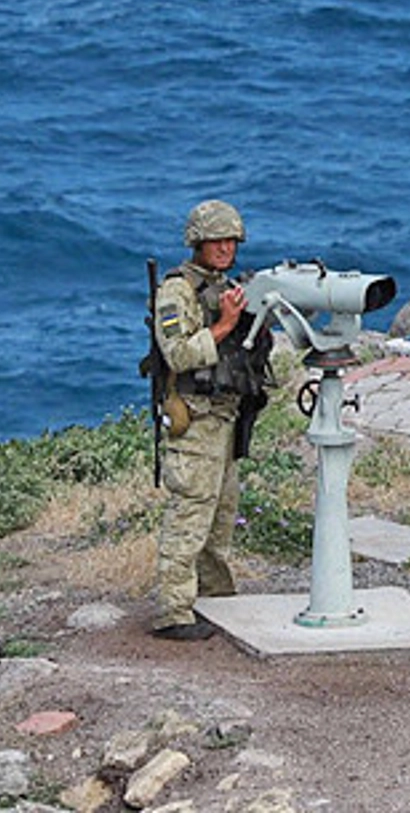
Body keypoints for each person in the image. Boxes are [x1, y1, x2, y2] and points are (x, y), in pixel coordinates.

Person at [149, 197, 268, 640]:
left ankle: (215, 597)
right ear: (197, 242)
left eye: (231, 240)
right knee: (190, 515)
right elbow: (177, 352)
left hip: (225, 416)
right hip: (194, 418)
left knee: (221, 516)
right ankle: (172, 611)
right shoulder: (177, 290)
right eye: (216, 240)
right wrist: (223, 324)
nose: (225, 248)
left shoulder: (226, 286)